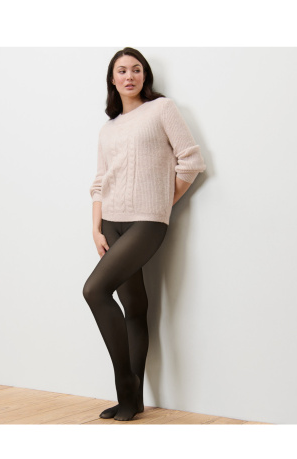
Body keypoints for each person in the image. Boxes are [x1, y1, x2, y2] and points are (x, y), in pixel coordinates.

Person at [82, 47, 206, 421]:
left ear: (145, 76)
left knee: (94, 290)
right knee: (134, 307)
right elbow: (100, 181)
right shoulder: (108, 129)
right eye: (122, 70)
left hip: (147, 222)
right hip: (111, 222)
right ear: (112, 79)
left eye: (136, 69)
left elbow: (192, 161)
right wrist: (95, 226)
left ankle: (126, 384)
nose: (130, 76)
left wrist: (162, 204)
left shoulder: (161, 109)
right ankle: (133, 402)